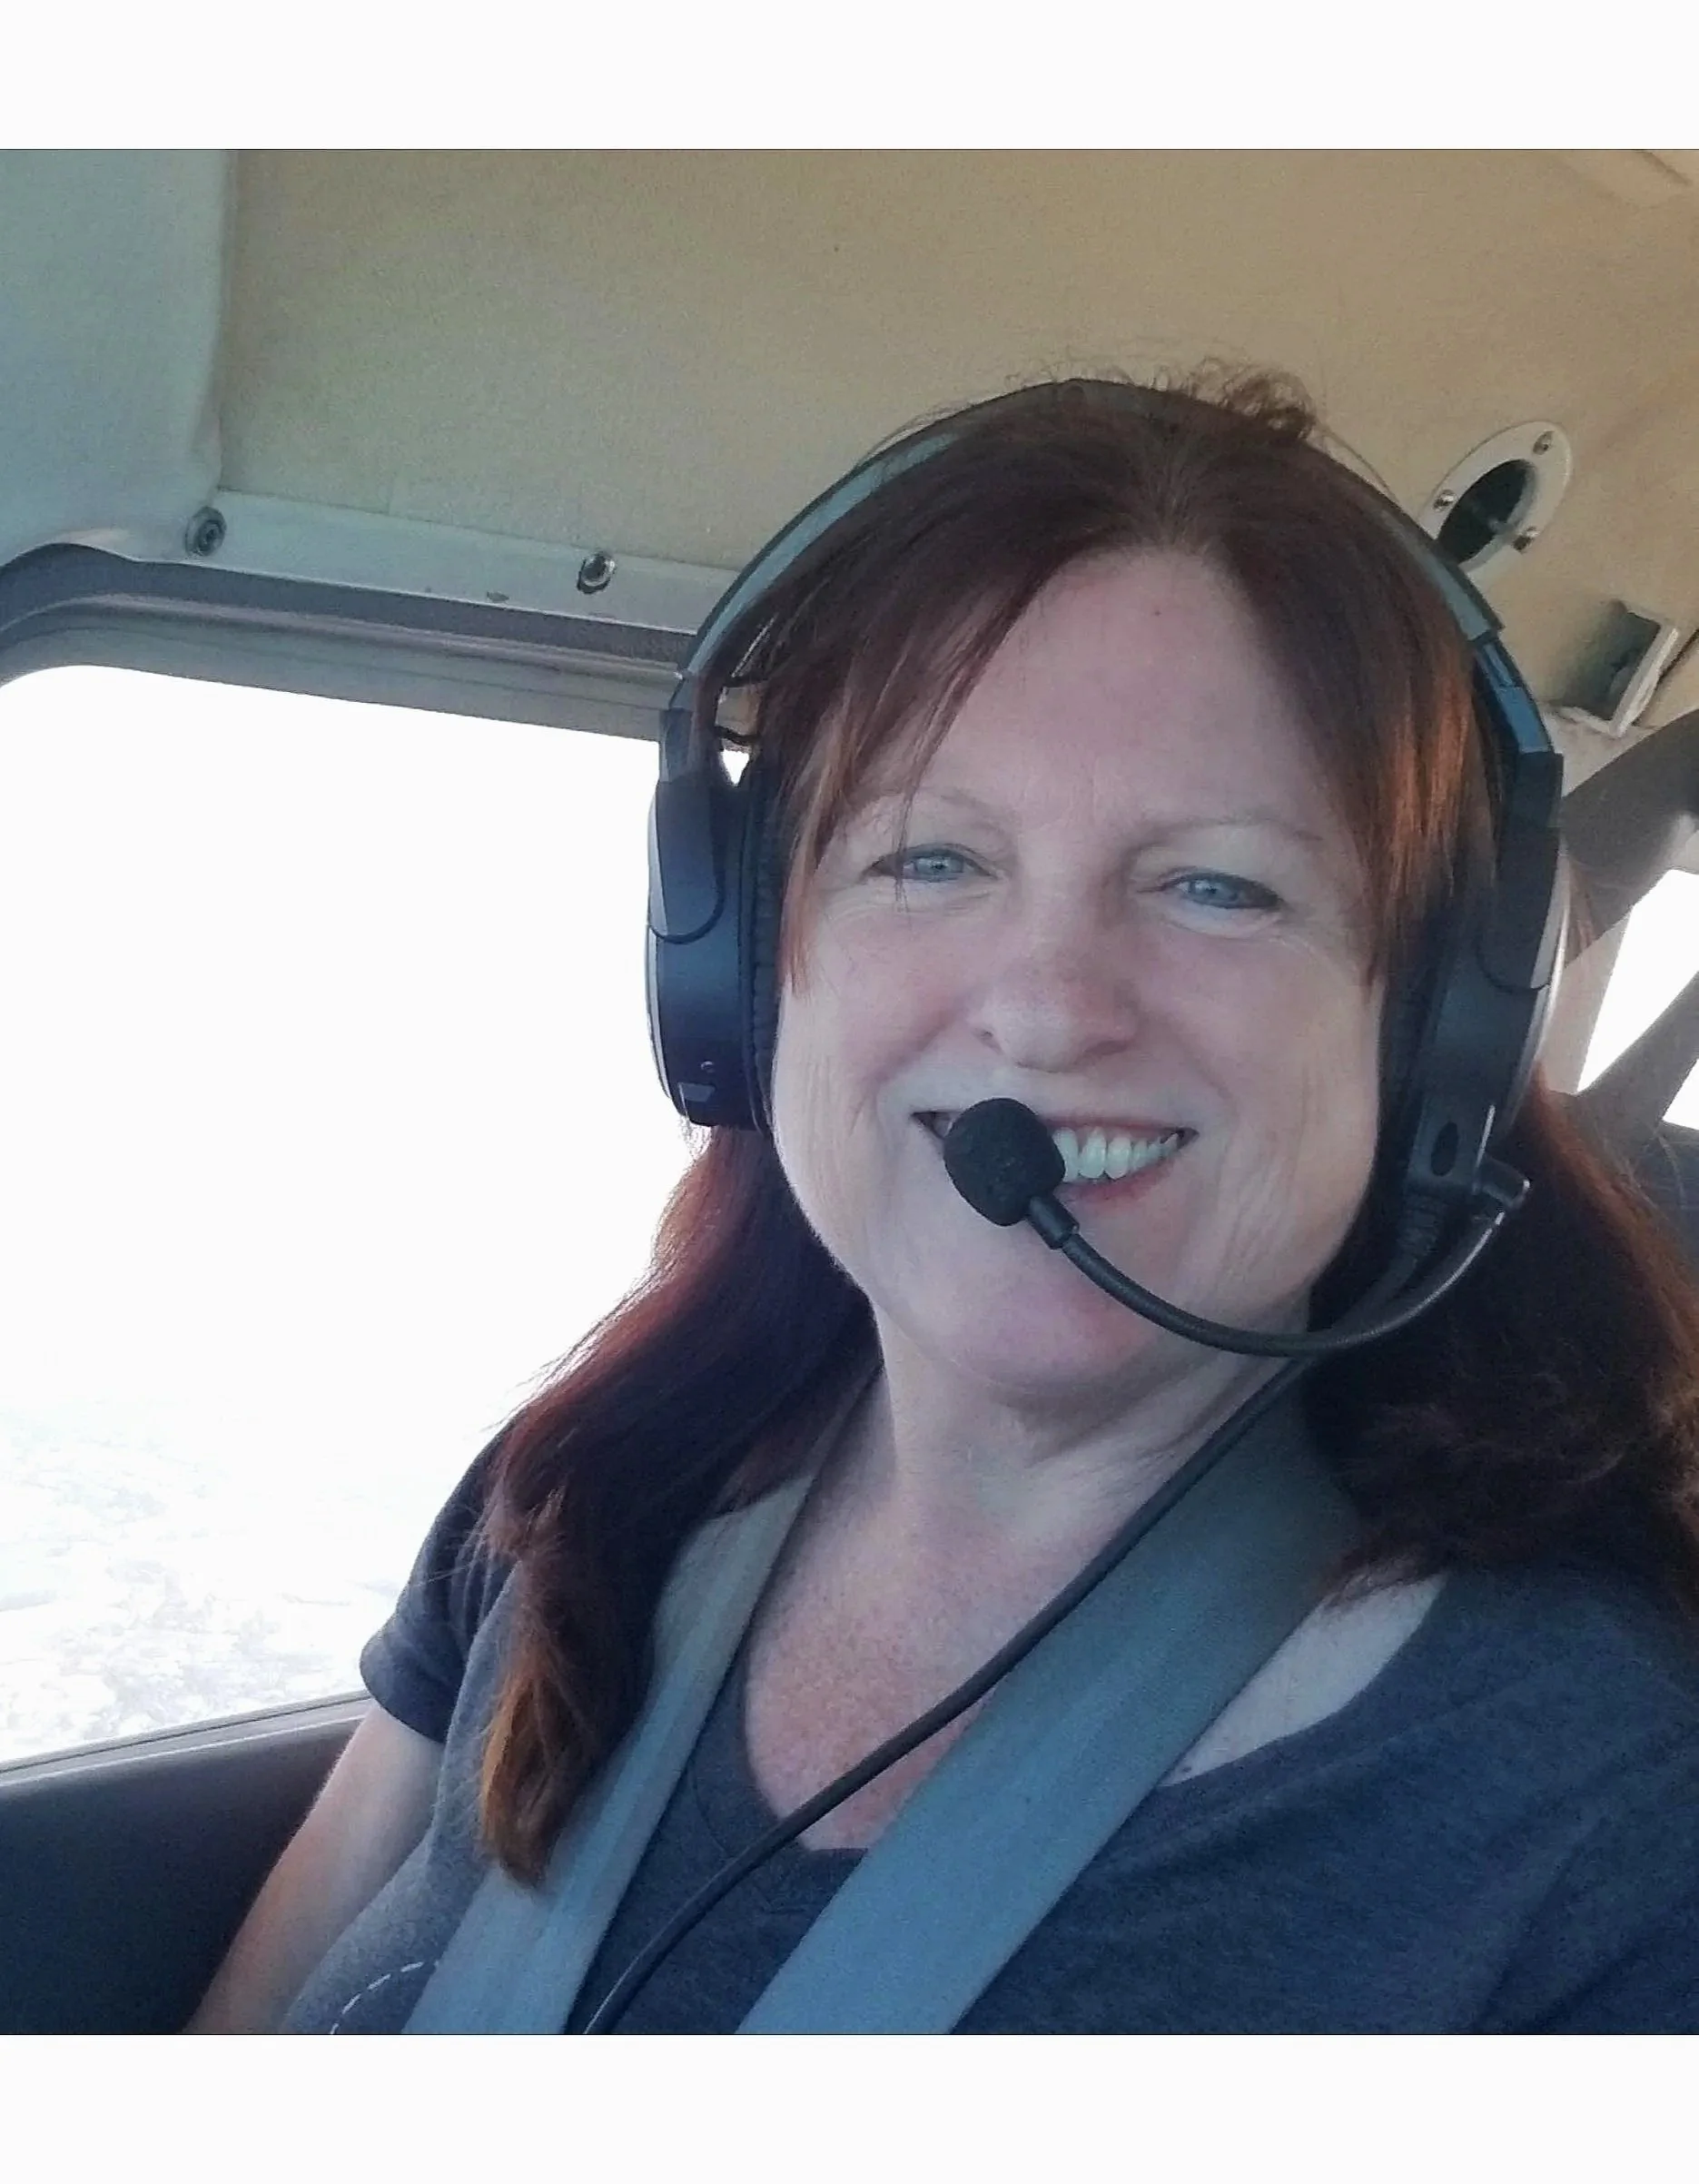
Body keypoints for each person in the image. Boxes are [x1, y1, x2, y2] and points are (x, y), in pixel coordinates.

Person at [192, 371, 1699, 2034]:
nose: (1047, 1010)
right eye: (929, 859)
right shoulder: (593, 1489)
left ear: (1433, 1031)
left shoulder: (1609, 1834)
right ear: (741, 968)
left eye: (1218, 885)